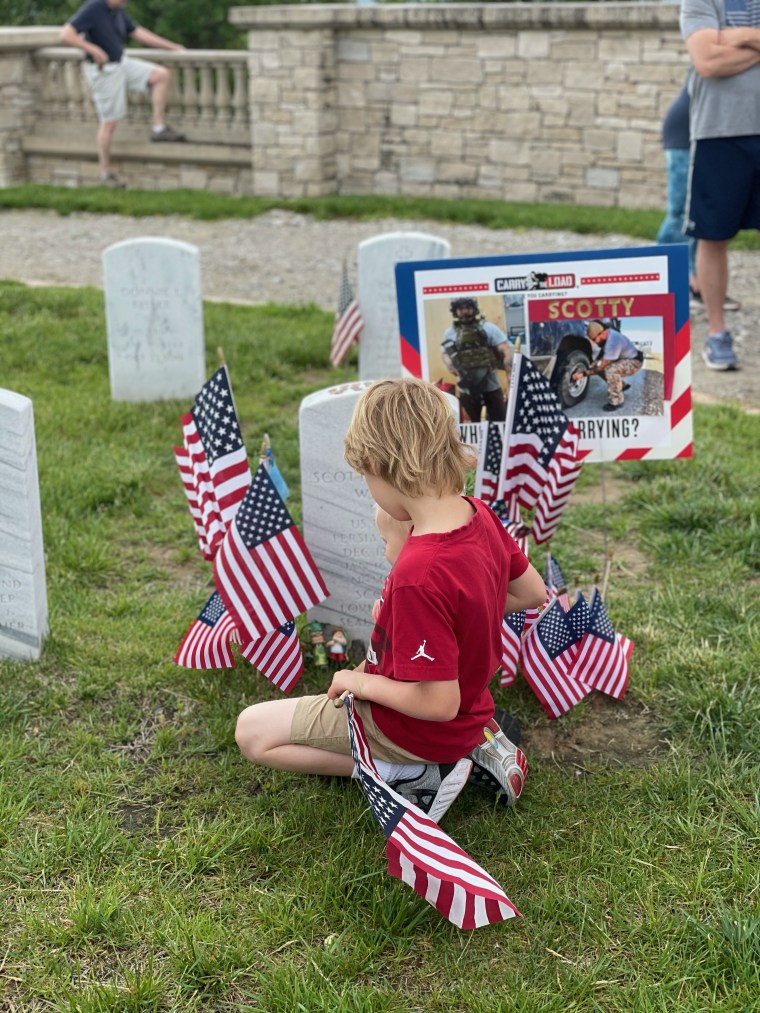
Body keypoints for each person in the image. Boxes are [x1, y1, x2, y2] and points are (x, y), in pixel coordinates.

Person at [235, 378, 546, 822]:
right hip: (468, 712)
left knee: (252, 733)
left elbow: (438, 703)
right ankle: (464, 750)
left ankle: (405, 773)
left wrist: (357, 681)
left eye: (366, 477)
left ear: (380, 464)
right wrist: (460, 621)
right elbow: (531, 592)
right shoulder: (479, 516)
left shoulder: (418, 574)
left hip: (409, 727)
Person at [681, 0, 760, 371]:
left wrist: (736, 38)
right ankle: (717, 334)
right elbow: (707, 62)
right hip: (719, 132)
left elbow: (718, 54)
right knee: (712, 236)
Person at [60, 0, 187, 188]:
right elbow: (66, 35)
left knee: (160, 75)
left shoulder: (118, 10)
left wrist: (173, 47)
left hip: (121, 63)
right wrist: (94, 50)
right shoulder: (94, 7)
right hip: (104, 71)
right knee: (109, 123)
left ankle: (159, 130)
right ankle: (105, 174)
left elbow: (138, 32)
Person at [656, 78, 741, 311]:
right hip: (687, 135)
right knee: (682, 212)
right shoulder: (716, 48)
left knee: (704, 215)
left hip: (714, 137)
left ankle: (700, 285)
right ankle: (673, 286)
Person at [440, 298, 511, 423]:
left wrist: (509, 376)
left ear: (474, 309)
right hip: (466, 387)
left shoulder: (488, 328)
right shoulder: (450, 333)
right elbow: (445, 354)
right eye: (461, 309)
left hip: (491, 385)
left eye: (468, 308)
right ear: (455, 311)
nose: (465, 311)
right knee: (476, 423)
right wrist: (451, 366)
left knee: (499, 422)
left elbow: (505, 351)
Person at [574, 320, 644, 412]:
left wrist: (583, 374)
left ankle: (616, 401)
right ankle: (621, 385)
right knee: (602, 368)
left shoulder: (613, 342)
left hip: (635, 362)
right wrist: (596, 360)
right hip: (625, 358)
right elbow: (603, 350)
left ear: (602, 333)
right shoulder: (608, 334)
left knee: (610, 370)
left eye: (595, 339)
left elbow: (600, 368)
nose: (595, 342)